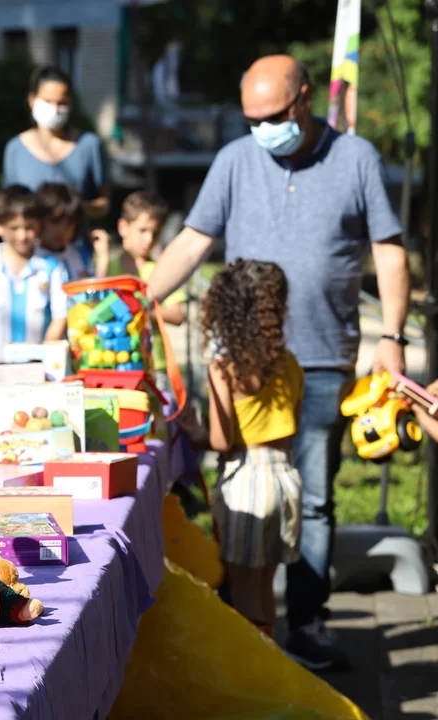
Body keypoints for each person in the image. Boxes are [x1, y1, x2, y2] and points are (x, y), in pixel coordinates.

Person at [147, 55, 409, 671]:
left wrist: (393, 335)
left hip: (322, 358)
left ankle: (307, 623)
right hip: (245, 364)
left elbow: (389, 250)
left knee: (311, 498)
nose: (263, 129)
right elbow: (193, 240)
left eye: (274, 116)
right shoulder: (235, 160)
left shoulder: (357, 159)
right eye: (252, 119)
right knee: (244, 490)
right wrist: (138, 300)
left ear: (304, 100)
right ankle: (249, 624)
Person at [203, 259, 303, 637]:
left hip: (246, 481)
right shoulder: (290, 364)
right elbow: (293, 425)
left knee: (243, 598)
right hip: (286, 477)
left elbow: (220, 440)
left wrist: (195, 429)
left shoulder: (224, 369)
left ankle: (255, 668)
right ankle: (274, 658)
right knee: (265, 591)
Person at [0, 185, 69, 359]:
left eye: (29, 227)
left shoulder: (52, 268)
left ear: (39, 225)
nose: (22, 236)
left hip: (39, 365)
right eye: (14, 228)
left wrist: (44, 355)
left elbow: (60, 316)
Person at [2, 66, 109, 219]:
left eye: (61, 102)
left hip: (75, 234)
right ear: (32, 99)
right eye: (47, 101)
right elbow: (9, 203)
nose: (54, 108)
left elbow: (103, 202)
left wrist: (72, 210)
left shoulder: (89, 144)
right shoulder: (15, 148)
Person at [109, 190, 185, 394]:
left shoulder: (161, 269)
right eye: (142, 230)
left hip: (154, 365)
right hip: (115, 362)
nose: (149, 238)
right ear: (123, 227)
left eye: (155, 232)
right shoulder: (110, 268)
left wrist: (142, 311)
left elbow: (178, 315)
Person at [35, 182, 109, 280]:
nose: (61, 230)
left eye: (68, 224)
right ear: (39, 220)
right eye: (55, 222)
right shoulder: (31, 258)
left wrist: (102, 257)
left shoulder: (79, 256)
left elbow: (93, 288)